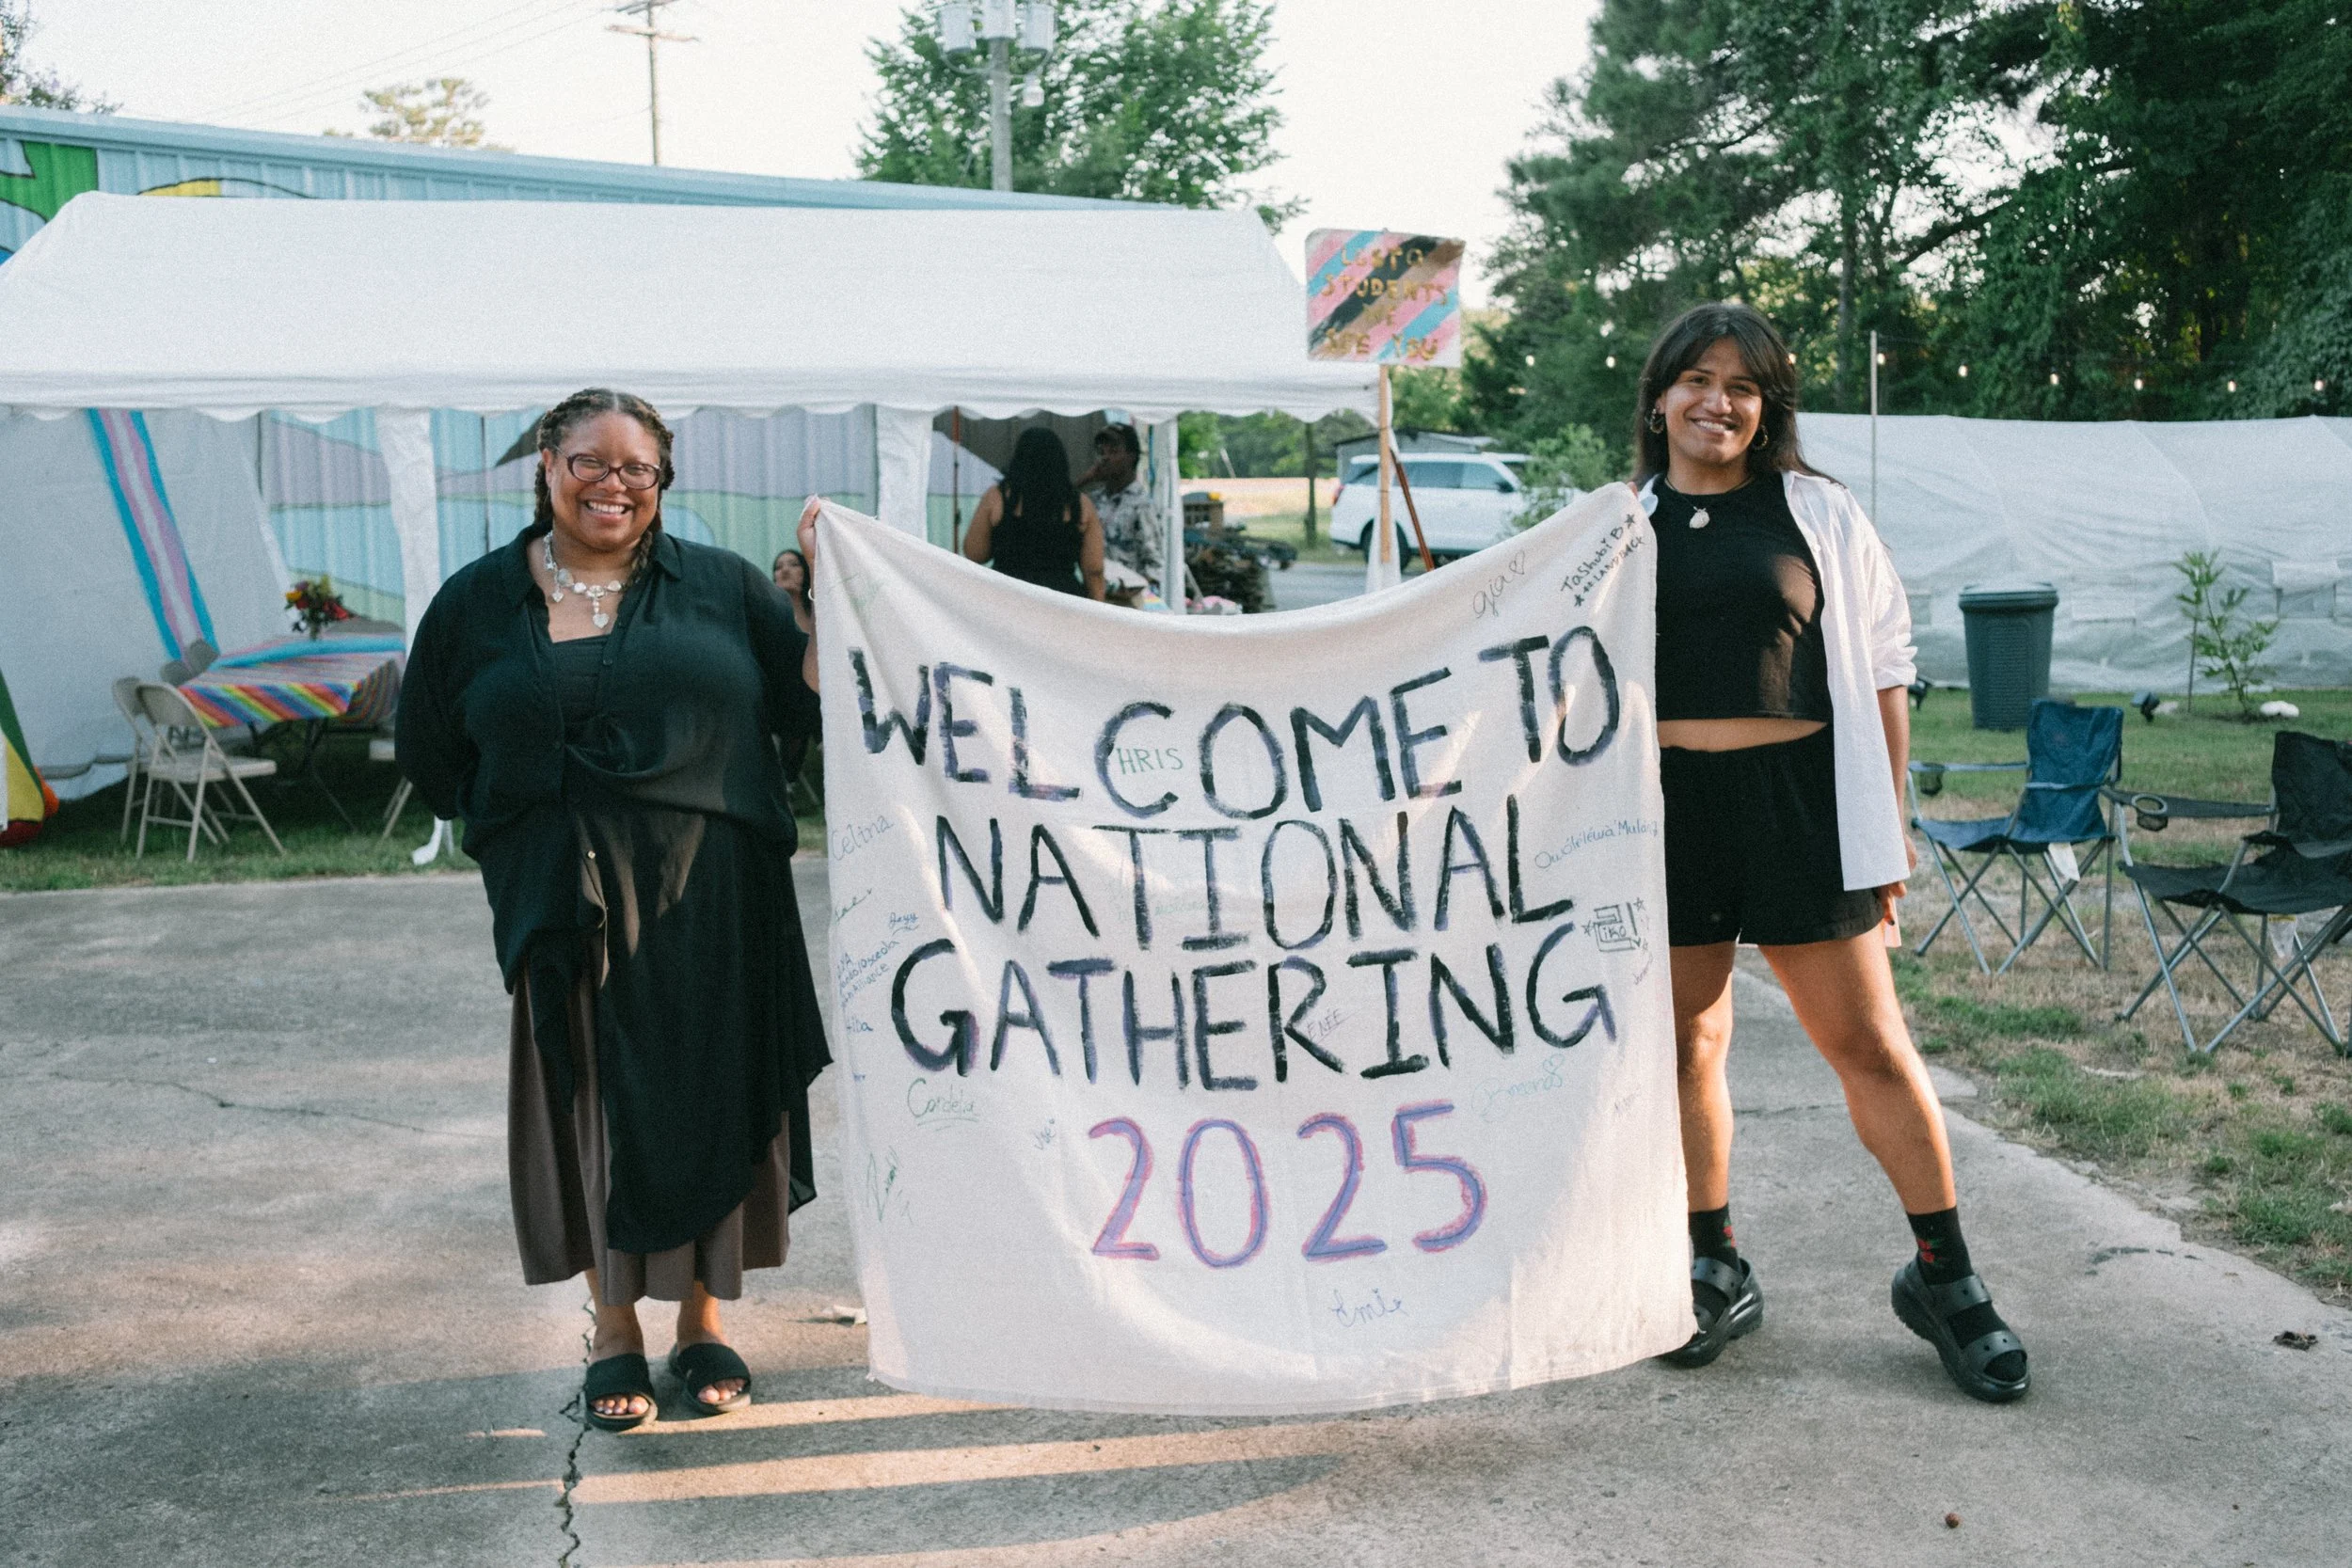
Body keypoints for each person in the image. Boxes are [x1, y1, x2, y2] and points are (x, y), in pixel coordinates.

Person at [397, 388, 828, 1433]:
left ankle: (705, 1319)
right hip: (564, 905)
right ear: (547, 464)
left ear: (661, 480)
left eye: (638, 467)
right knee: (592, 1109)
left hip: (714, 900)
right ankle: (616, 1328)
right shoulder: (476, 602)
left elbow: (811, 700)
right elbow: (433, 755)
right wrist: (528, 829)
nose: (613, 484)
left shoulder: (721, 587)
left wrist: (831, 590)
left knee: (714, 1099)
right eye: (590, 460)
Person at [1634, 303, 2029, 1402]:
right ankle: (1711, 1259)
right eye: (1697, 378)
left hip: (1802, 806)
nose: (1717, 401)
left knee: (1868, 1044)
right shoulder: (1616, 526)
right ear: (1658, 397)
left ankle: (1945, 1276)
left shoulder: (1818, 511)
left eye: (1741, 385)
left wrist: (1886, 825)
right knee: (1684, 1042)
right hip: (1665, 815)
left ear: (1766, 410)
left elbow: (1886, 668)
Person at [961, 427, 1107, 599]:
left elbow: (975, 553)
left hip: (1006, 599)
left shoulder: (997, 497)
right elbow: (1094, 570)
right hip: (1062, 601)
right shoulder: (1081, 505)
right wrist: (1099, 605)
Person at [1077, 421, 1165, 589]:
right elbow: (1059, 505)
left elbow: (1156, 565)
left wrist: (1131, 591)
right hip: (1093, 591)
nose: (1105, 458)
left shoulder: (1142, 505)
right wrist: (1085, 479)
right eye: (1101, 452)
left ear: (1131, 457)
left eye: (1114, 452)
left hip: (1126, 595)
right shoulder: (1093, 500)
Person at [771, 546, 815, 634]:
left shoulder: (819, 614)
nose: (785, 570)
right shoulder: (768, 616)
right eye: (778, 567)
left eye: (794, 564)